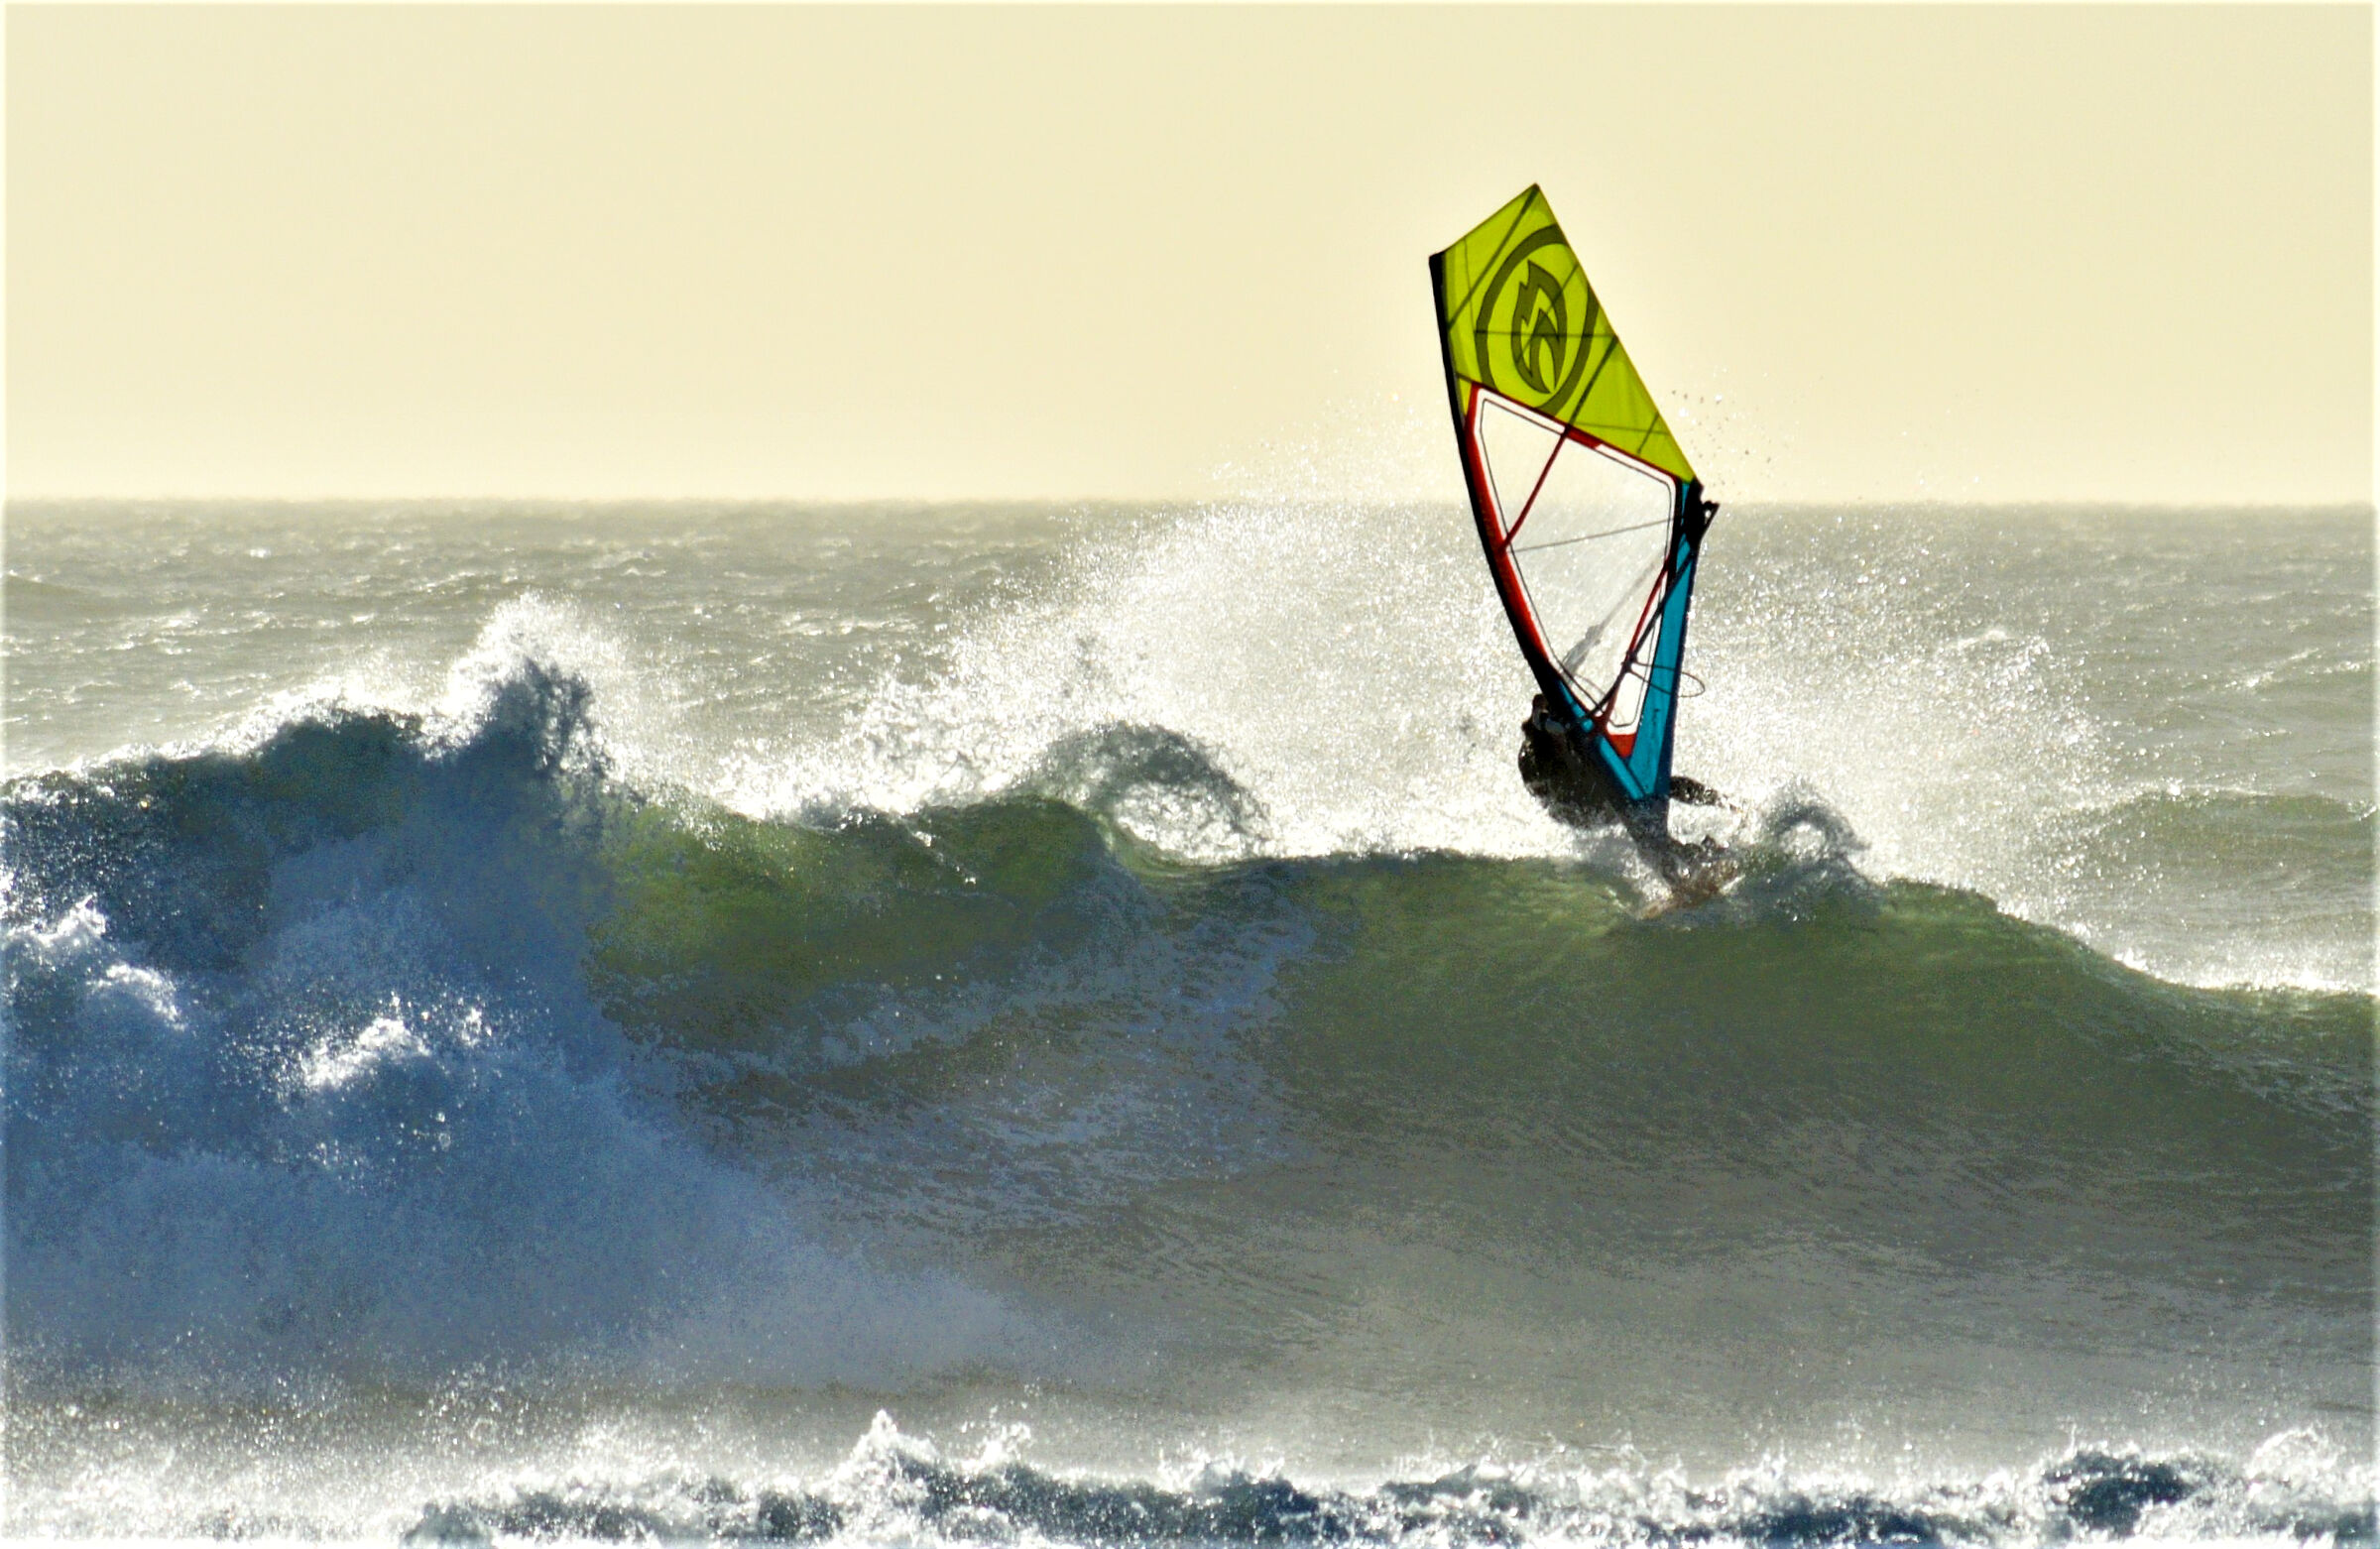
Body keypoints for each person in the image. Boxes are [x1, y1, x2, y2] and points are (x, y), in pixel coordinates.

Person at [1516, 694, 1728, 888]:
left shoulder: (1568, 737)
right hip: (1580, 811)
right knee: (1645, 829)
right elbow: (1554, 791)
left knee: (1661, 786)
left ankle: (1724, 805)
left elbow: (1540, 700)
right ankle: (1681, 881)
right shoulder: (1536, 759)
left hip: (1591, 795)